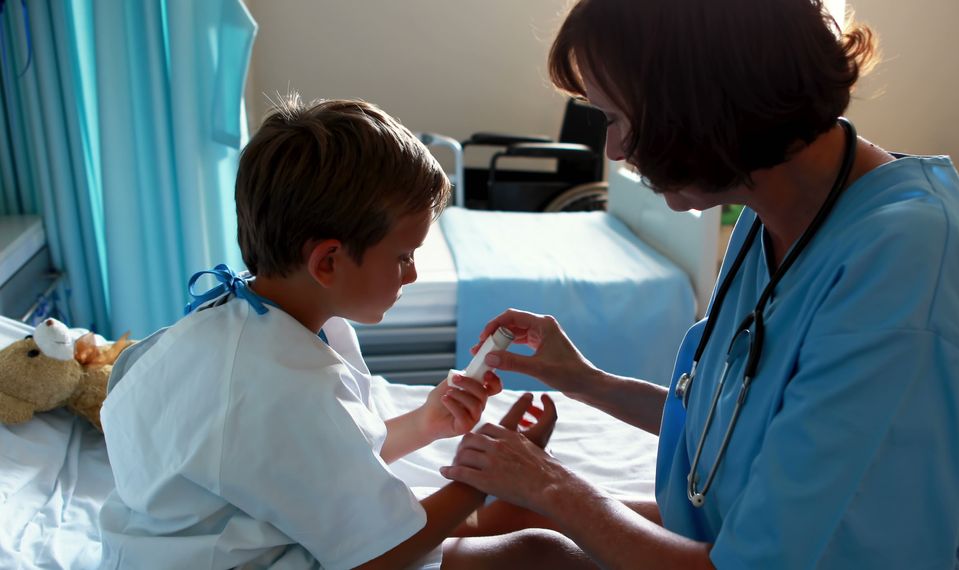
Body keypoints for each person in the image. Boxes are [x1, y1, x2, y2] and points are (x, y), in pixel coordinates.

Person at [439, 0, 959, 567]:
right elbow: (737, 424)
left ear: (706, 105)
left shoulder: (902, 278)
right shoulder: (774, 210)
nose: (616, 150)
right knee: (514, 522)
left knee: (529, 548)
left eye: (618, 117)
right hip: (747, 532)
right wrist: (583, 380)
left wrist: (553, 485)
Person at [98, 96, 597, 569]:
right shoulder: (283, 385)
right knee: (537, 550)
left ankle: (666, 545)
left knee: (533, 519)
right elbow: (376, 558)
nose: (413, 274)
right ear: (328, 261)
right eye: (404, 256)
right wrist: (483, 479)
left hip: (208, 540)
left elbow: (314, 463)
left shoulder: (249, 319)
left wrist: (427, 422)